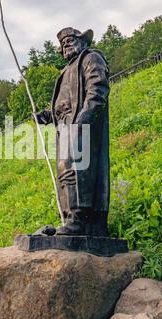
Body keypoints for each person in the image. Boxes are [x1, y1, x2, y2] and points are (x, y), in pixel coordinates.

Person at [36, 27, 110, 236]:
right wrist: (47, 116)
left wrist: (83, 119)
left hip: (82, 124)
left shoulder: (91, 58)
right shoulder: (65, 71)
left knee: (76, 168)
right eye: (63, 43)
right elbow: (63, 105)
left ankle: (81, 220)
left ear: (82, 41)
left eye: (70, 40)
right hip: (65, 126)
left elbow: (97, 89)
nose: (66, 44)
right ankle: (71, 219)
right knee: (65, 171)